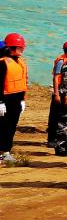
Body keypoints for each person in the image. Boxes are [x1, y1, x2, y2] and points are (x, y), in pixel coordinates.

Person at [0, 33, 30, 162]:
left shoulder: (20, 62)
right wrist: (0, 102)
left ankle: (6, 151)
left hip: (16, 99)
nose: (22, 49)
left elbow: (23, 82)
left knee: (11, 126)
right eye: (20, 47)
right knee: (3, 126)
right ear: (11, 47)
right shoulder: (3, 63)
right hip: (5, 100)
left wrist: (22, 99)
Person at [47, 41, 67, 146]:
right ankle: (51, 139)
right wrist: (56, 93)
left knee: (63, 116)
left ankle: (60, 138)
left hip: (66, 92)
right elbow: (56, 77)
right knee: (55, 116)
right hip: (59, 92)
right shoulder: (61, 61)